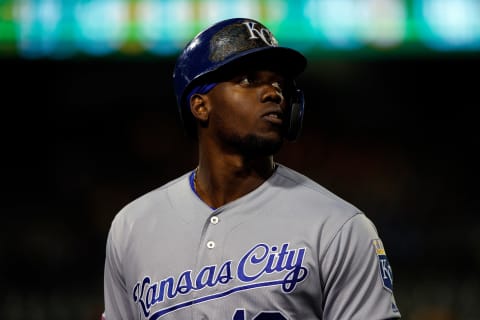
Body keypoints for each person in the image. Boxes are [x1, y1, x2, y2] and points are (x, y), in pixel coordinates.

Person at [103, 17, 401, 320]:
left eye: (280, 84)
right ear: (200, 105)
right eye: (249, 80)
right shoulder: (132, 227)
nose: (274, 93)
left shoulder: (338, 226)